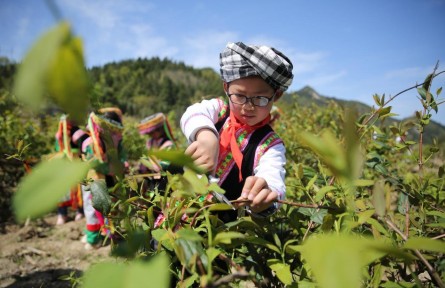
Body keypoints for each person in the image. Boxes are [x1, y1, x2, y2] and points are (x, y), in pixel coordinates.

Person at [180, 42, 293, 222]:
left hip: (218, 231)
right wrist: (206, 136)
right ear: (226, 88)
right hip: (177, 212)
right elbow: (193, 113)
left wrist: (265, 193)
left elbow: (273, 175)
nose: (248, 107)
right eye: (239, 96)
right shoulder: (218, 111)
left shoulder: (270, 144)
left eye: (260, 98)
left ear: (276, 96)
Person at [80, 107, 126, 250]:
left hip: (112, 180)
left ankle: (111, 234)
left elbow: (122, 156)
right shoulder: (91, 143)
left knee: (111, 207)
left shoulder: (118, 140)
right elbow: (92, 163)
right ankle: (93, 238)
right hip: (95, 181)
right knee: (93, 209)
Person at [54, 115, 89, 225]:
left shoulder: (59, 133)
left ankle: (62, 215)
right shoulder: (77, 132)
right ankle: (80, 212)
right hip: (75, 162)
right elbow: (86, 145)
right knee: (78, 186)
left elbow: (57, 148)